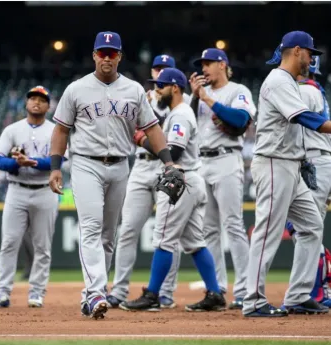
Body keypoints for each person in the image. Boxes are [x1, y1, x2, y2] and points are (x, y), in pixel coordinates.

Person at [48, 31, 179, 320]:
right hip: (85, 164)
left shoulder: (133, 90)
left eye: (112, 52)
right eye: (102, 52)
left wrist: (168, 163)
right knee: (92, 228)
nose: (106, 57)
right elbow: (60, 130)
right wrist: (55, 166)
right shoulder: (76, 89)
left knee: (109, 236)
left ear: (119, 56)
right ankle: (96, 292)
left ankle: (89, 296)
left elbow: (152, 128)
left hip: (121, 164)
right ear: (94, 55)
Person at [120, 68, 226, 312]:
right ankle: (215, 294)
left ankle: (153, 295)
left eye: (162, 85)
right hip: (189, 179)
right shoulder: (177, 114)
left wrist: (141, 139)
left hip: (181, 179)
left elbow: (174, 153)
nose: (157, 89)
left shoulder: (180, 115)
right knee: (194, 242)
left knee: (164, 239)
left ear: (175, 88)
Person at [243, 31, 331, 317]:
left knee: (312, 226)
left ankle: (298, 295)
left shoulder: (289, 82)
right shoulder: (278, 80)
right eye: (310, 53)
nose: (312, 59)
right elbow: (305, 118)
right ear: (296, 51)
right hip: (273, 163)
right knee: (267, 232)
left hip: (291, 165)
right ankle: (253, 301)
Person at [107, 54, 181, 310]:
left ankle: (165, 292)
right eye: (157, 69)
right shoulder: (140, 97)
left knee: (167, 235)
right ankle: (118, 290)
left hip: (167, 167)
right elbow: (127, 129)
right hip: (140, 166)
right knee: (127, 229)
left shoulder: (180, 102)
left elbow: (168, 140)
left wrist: (142, 133)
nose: (160, 73)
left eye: (165, 69)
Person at [189, 48, 257, 310]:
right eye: (201, 64)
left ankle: (244, 290)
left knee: (233, 225)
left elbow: (240, 119)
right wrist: (196, 98)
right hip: (201, 162)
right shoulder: (198, 96)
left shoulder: (238, 90)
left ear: (222, 65)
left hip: (227, 159)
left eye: (208, 63)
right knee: (208, 231)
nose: (203, 68)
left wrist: (206, 98)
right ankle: (216, 291)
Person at [267, 46, 331, 308]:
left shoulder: (305, 90)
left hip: (313, 160)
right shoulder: (315, 90)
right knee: (309, 228)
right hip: (318, 160)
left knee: (306, 229)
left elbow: (300, 123)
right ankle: (316, 290)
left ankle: (315, 292)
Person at [0, 86, 59, 309]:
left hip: (45, 190)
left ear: (48, 106)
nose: (36, 102)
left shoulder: (56, 130)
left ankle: (37, 292)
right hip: (16, 189)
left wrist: (34, 162)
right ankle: (2, 292)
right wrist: (16, 163)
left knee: (43, 246)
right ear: (26, 104)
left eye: (41, 100)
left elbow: (59, 161)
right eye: (32, 99)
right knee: (9, 243)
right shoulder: (12, 129)